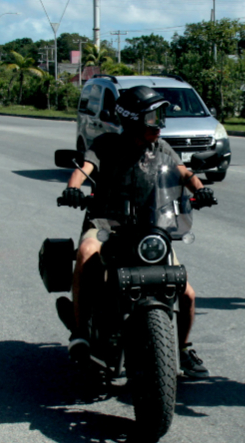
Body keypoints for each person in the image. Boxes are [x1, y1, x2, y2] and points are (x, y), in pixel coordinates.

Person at [57, 85, 216, 378]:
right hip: (107, 225)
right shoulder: (106, 145)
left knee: (188, 293)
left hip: (149, 229)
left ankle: (182, 348)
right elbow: (86, 167)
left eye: (161, 117)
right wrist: (72, 189)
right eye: (153, 118)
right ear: (133, 120)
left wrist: (201, 190)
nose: (160, 124)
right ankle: (79, 333)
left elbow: (183, 173)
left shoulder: (162, 149)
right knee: (85, 253)